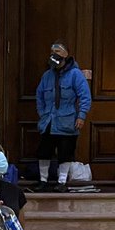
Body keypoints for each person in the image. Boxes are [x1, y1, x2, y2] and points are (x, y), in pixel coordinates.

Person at [34, 40, 92, 191]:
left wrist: (81, 116)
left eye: (58, 52)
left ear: (66, 54)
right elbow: (39, 96)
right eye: (52, 51)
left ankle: (62, 182)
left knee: (65, 153)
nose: (54, 54)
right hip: (48, 121)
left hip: (67, 121)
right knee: (44, 152)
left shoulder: (75, 75)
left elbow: (85, 96)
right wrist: (42, 113)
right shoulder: (47, 75)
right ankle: (43, 180)